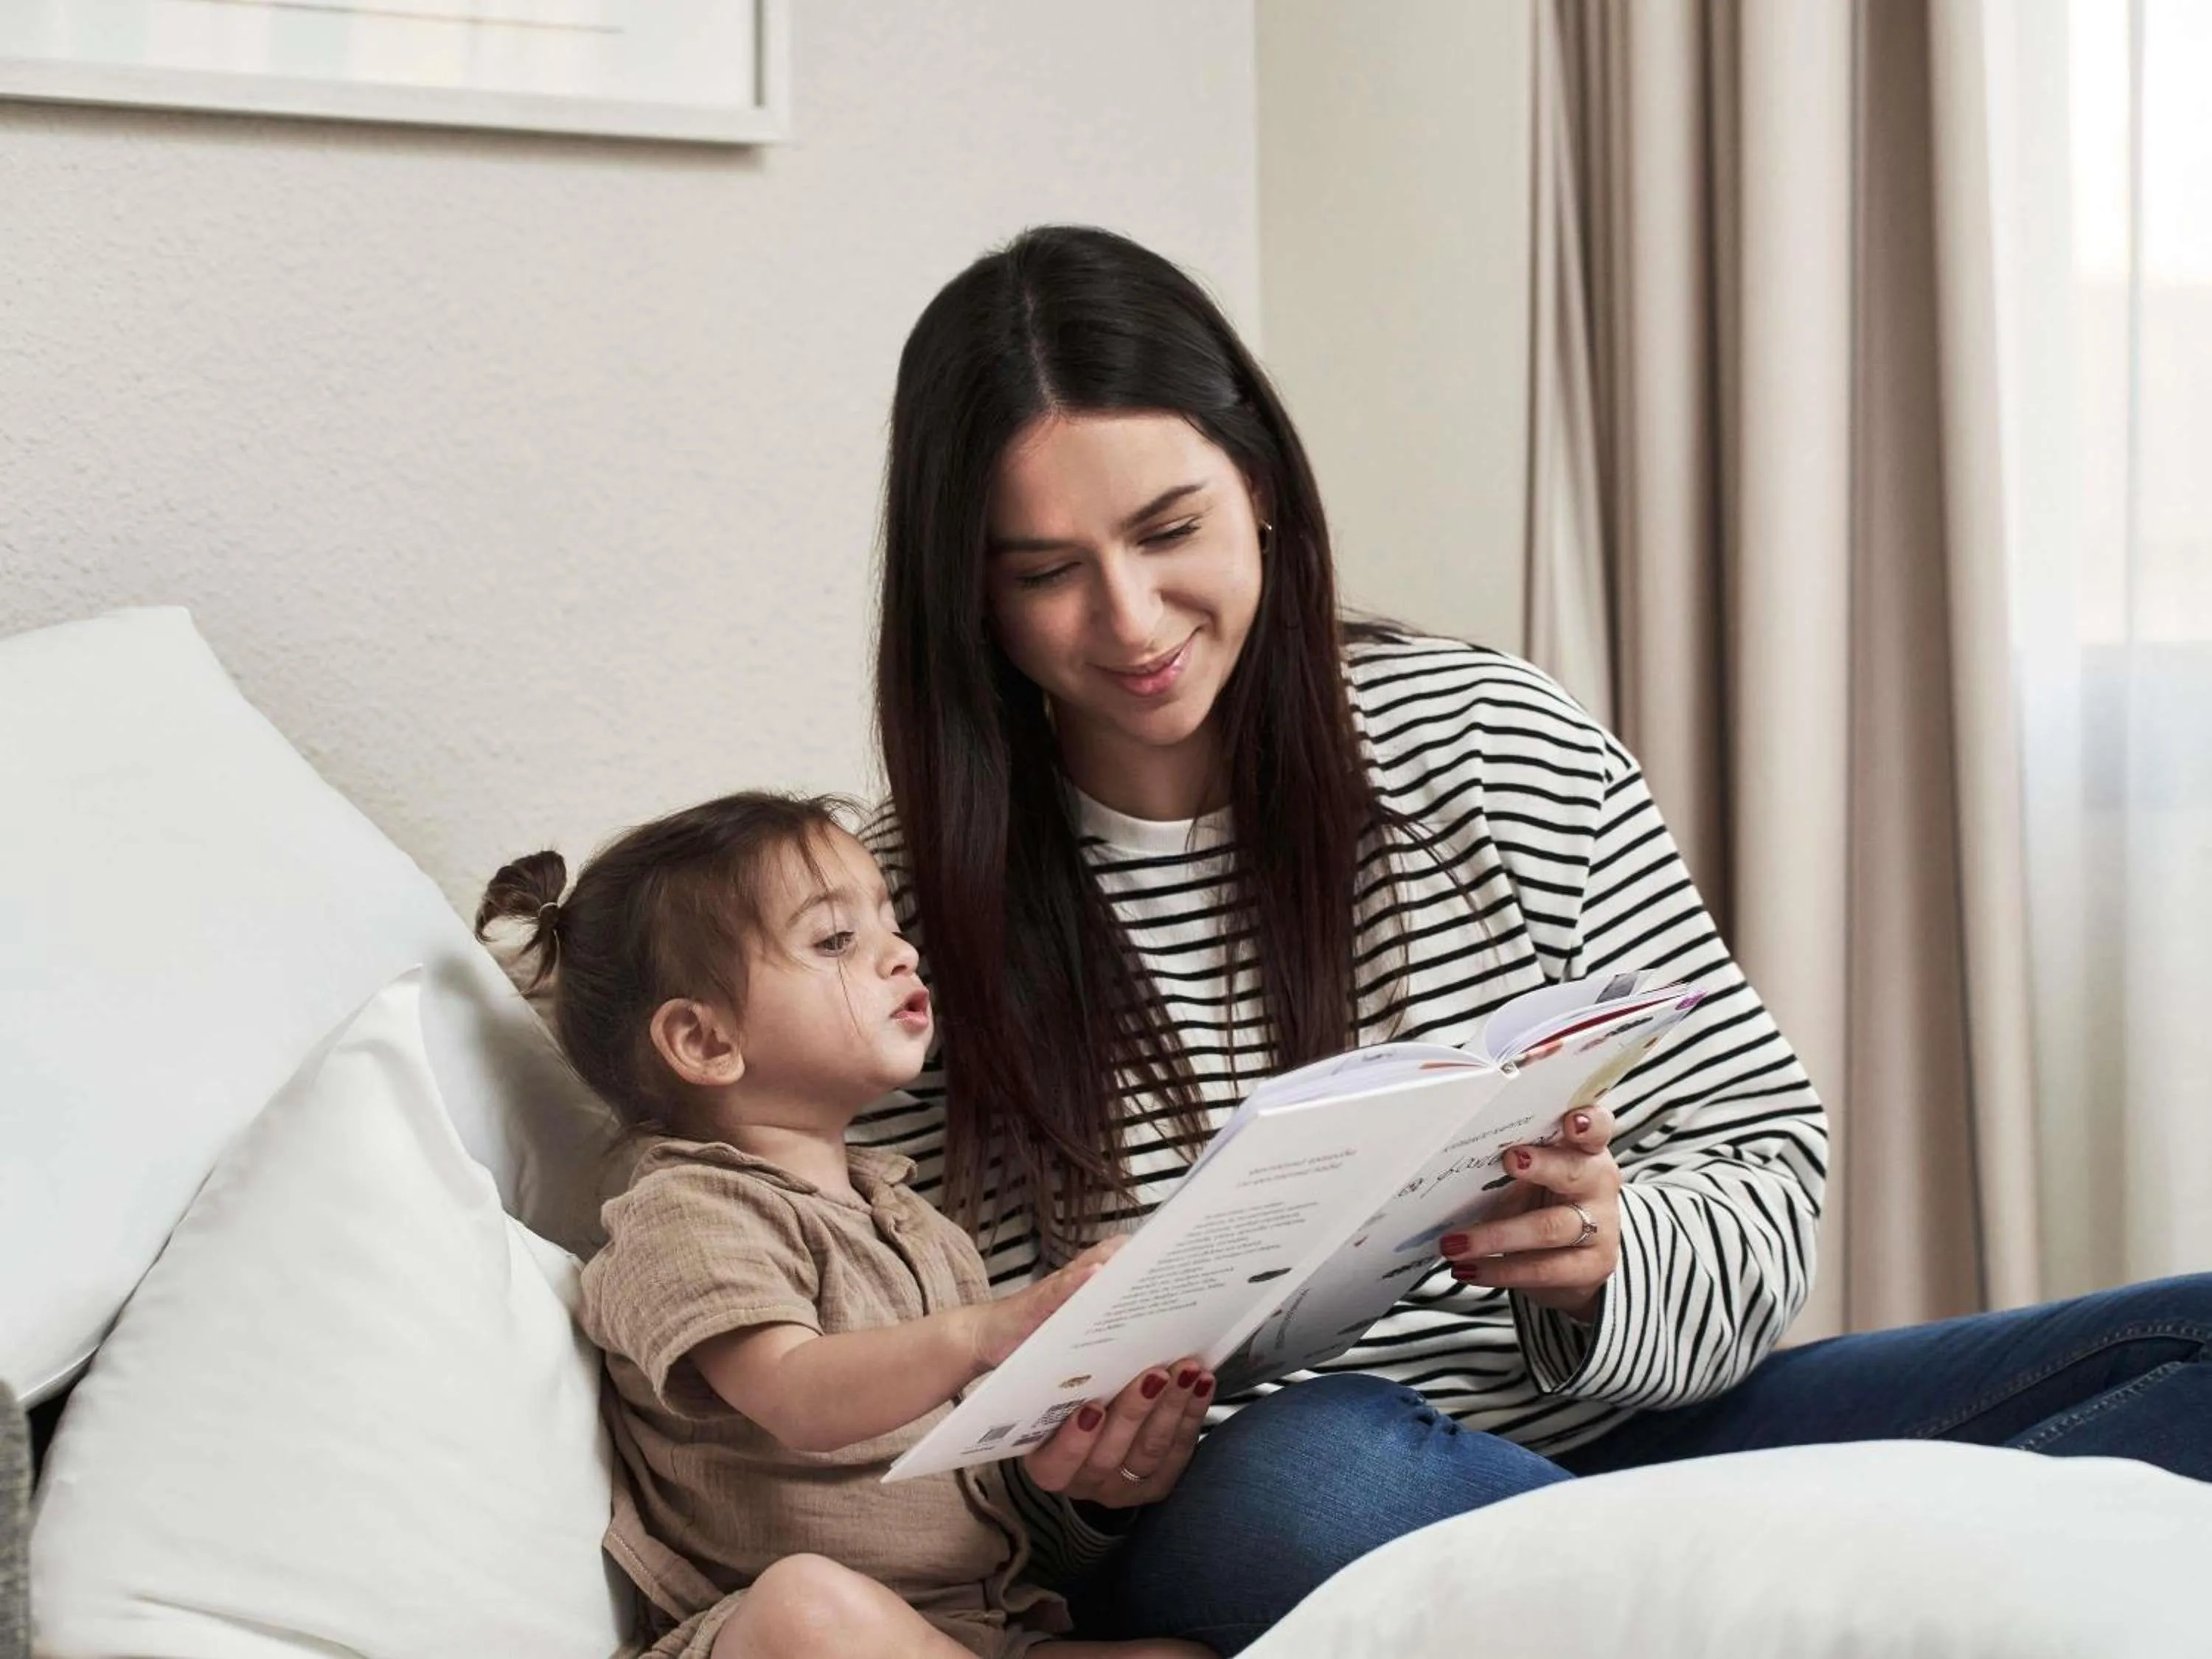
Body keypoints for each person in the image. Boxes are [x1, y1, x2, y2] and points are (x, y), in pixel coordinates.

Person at [857, 223, 2212, 1654]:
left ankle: (1662, 1604)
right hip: (1287, 1505)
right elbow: (930, 1412)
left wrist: (1609, 1254)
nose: (1129, 618)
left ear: (1256, 489)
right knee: (1316, 1460)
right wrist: (1092, 1501)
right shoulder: (894, 924)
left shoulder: (1487, 746)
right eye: (1044, 571)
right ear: (968, 592)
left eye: (1169, 530)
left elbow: (1766, 1171)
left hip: (1639, 1448)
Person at [476, 793, 1215, 1659]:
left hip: (973, 1630)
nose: (900, 953)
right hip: (777, 1641)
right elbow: (795, 1394)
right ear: (704, 1042)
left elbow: (975, 1491)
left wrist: (1080, 1453)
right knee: (807, 1606)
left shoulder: (916, 1226)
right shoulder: (684, 1212)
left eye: (888, 923)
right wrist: (983, 1334)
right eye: (835, 941)